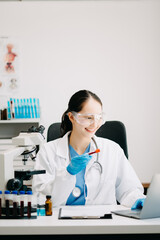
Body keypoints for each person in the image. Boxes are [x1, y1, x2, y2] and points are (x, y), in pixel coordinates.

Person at [32, 90, 145, 208]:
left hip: (103, 222)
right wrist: (66, 174)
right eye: (88, 118)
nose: (94, 124)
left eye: (99, 118)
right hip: (60, 222)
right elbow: (40, 197)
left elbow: (128, 189)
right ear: (71, 117)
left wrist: (139, 200)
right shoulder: (48, 151)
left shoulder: (112, 150)